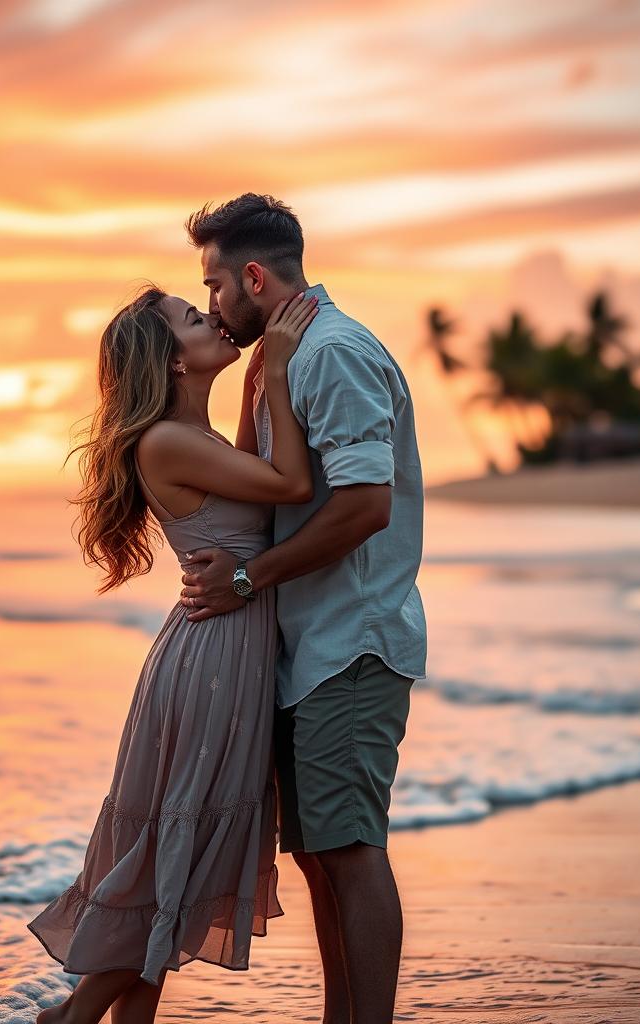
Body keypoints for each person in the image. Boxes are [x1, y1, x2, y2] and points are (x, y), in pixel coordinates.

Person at [28, 286, 320, 1024]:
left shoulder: (202, 438)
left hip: (223, 648)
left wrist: (257, 383)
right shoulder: (166, 440)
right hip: (213, 658)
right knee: (178, 858)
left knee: (180, 855)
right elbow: (291, 484)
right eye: (195, 320)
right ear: (169, 359)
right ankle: (71, 1016)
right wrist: (276, 372)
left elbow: (262, 493)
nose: (214, 320)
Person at [179, 193, 428, 1024]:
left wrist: (248, 583)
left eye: (214, 285)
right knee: (324, 855)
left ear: (253, 276)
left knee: (351, 851)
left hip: (348, 643)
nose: (212, 303)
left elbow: (364, 507)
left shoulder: (331, 354)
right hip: (307, 647)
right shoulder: (282, 358)